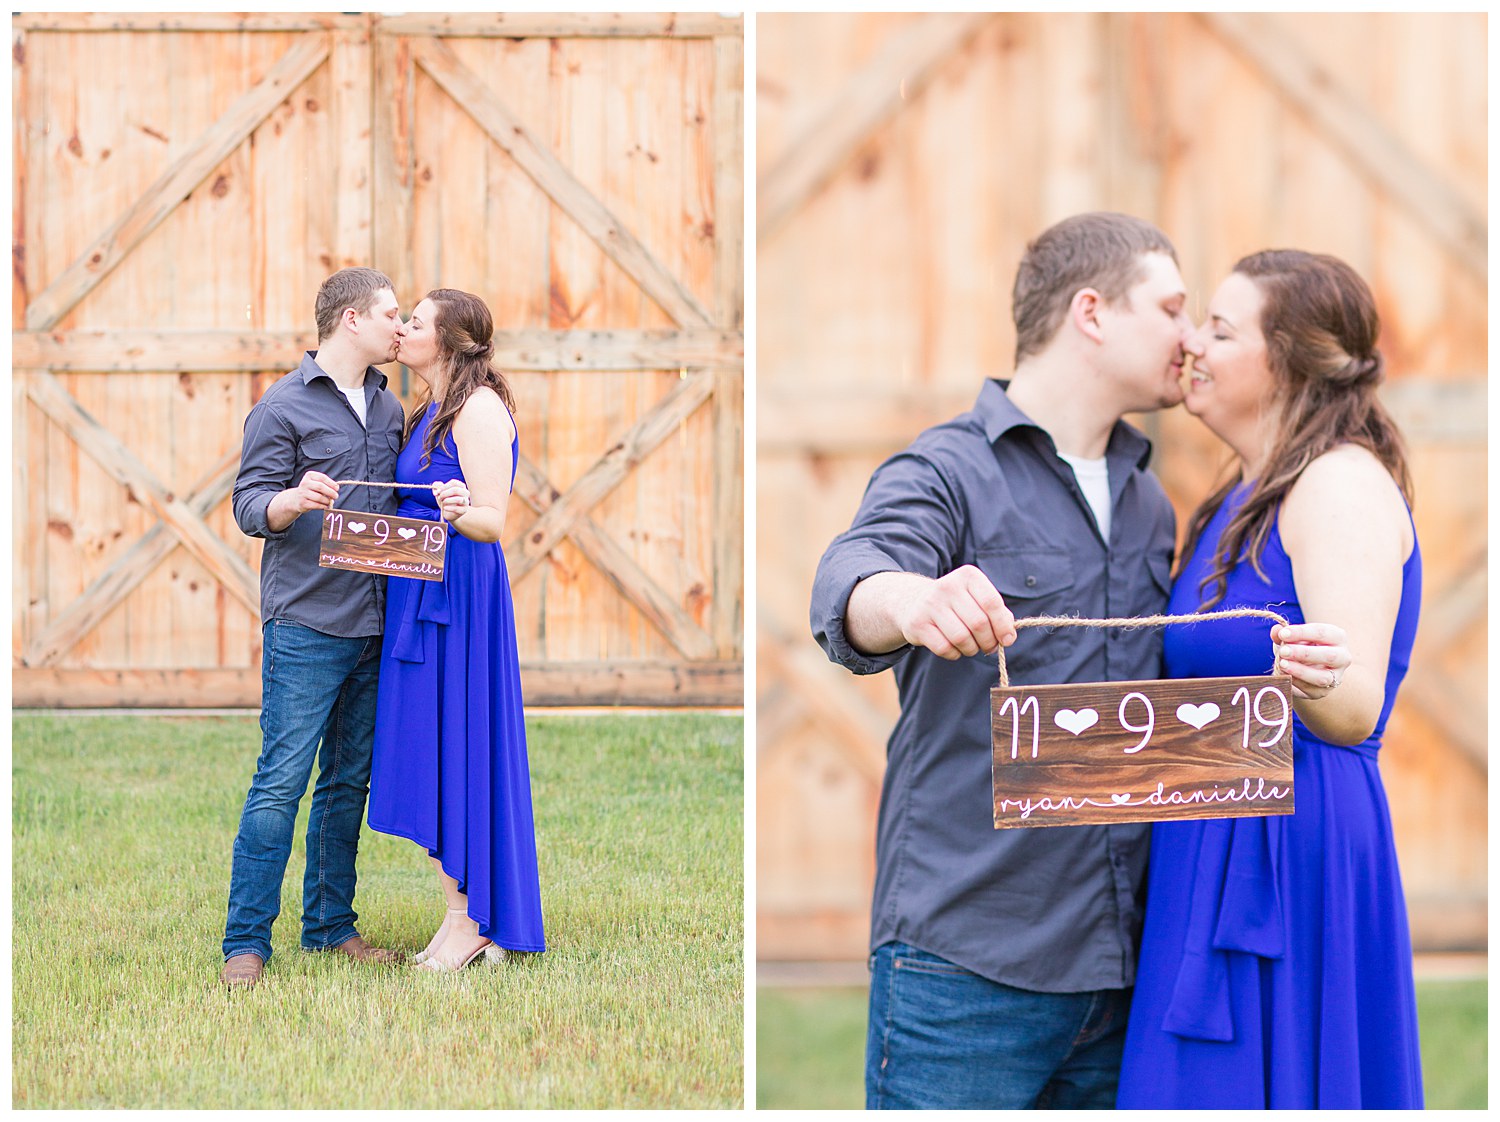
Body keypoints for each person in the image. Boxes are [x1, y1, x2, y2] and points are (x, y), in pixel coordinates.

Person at [809, 213, 1343, 1109]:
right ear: (1092, 313)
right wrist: (912, 600)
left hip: (1128, 965)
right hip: (968, 966)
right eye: (1173, 307)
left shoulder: (1149, 504)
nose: (1191, 337)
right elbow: (852, 574)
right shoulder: (947, 468)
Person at [1116, 251, 1423, 1108]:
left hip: (1291, 854)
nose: (1193, 347)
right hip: (1205, 837)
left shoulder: (1338, 486)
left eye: (1220, 329)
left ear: (1287, 358)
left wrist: (1312, 678)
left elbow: (1354, 707)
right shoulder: (1232, 498)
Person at [222, 267, 408, 987]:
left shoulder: (391, 409)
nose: (400, 326)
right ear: (351, 320)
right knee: (281, 782)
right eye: (391, 314)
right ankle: (245, 944)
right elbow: (247, 508)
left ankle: (331, 929)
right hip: (305, 622)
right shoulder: (282, 407)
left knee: (346, 785)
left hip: (374, 622)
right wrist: (294, 499)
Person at [366, 288, 546, 971]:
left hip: (462, 598)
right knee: (434, 748)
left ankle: (473, 923)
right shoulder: (430, 408)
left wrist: (459, 504)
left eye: (414, 323)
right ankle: (460, 915)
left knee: (459, 742)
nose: (404, 331)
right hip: (422, 589)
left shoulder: (478, 409)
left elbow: (492, 522)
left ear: (445, 342)